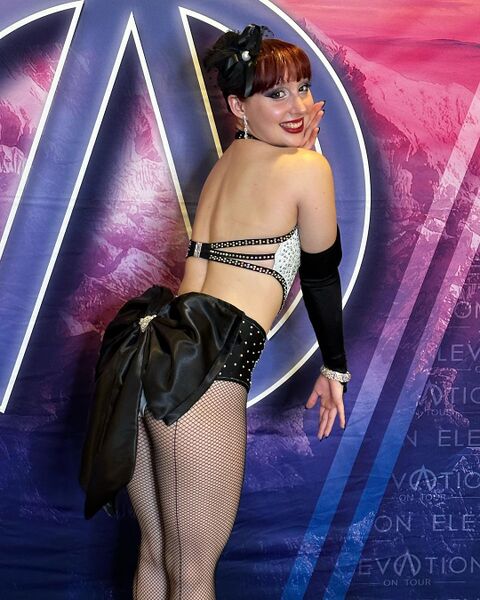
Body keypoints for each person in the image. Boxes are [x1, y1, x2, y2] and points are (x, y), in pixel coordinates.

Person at [79, 23, 351, 600]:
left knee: (156, 555)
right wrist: (335, 368)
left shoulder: (228, 164)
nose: (297, 106)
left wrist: (296, 142)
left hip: (149, 355)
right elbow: (321, 274)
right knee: (193, 573)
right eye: (276, 93)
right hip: (201, 370)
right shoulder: (306, 169)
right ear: (237, 106)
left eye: (303, 88)